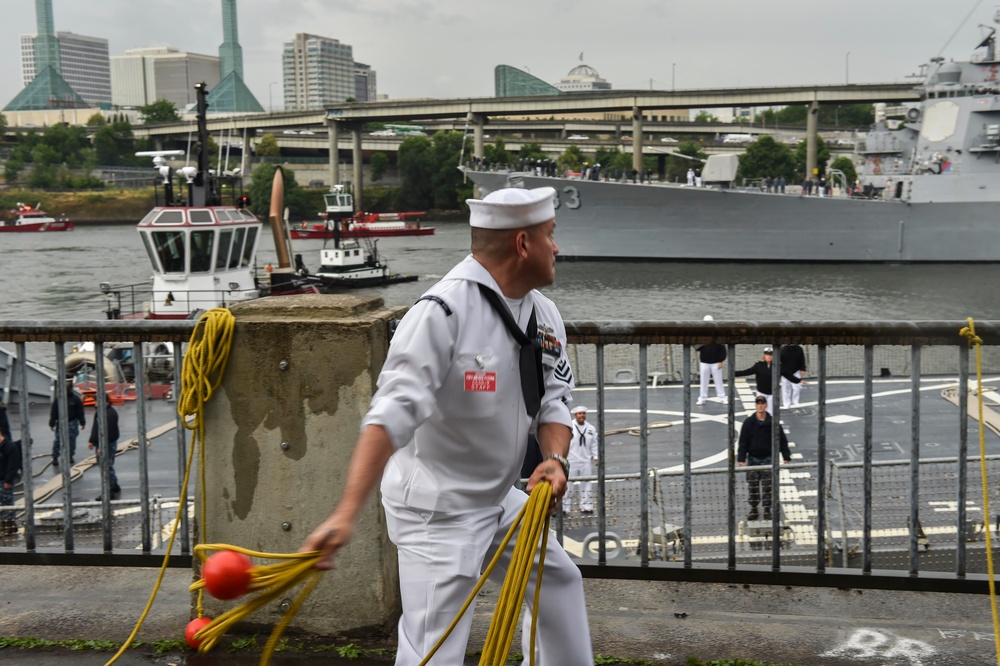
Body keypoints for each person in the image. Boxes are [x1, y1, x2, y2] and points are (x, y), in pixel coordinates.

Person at [301, 186, 593, 665]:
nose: (556, 247)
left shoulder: (543, 314)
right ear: (523, 245)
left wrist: (555, 460)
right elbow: (390, 415)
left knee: (558, 581)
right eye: (549, 235)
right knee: (434, 649)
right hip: (439, 510)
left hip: (496, 496)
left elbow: (554, 401)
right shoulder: (441, 315)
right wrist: (345, 514)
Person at [738, 395, 791, 521]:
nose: (760, 406)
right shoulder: (748, 423)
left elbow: (782, 440)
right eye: (758, 403)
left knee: (768, 487)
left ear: (766, 405)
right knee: (753, 486)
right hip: (753, 459)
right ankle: (754, 508)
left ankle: (767, 509)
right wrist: (741, 458)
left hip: (768, 458)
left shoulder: (773, 423)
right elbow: (743, 441)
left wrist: (786, 456)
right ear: (756, 405)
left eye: (762, 403)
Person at [734, 346, 802, 414]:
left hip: (773, 393)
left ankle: (770, 424)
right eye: (767, 355)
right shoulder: (759, 365)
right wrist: (734, 373)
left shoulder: (778, 366)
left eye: (771, 355)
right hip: (761, 392)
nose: (769, 356)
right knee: (760, 411)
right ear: (764, 356)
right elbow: (747, 372)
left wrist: (798, 380)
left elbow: (788, 375)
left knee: (771, 413)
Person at [88, 394, 121, 500]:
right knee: (108, 465)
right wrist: (92, 440)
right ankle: (114, 486)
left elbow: (109, 433)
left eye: (96, 401)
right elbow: (96, 427)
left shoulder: (109, 414)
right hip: (102, 443)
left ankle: (109, 490)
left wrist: (102, 447)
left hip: (107, 444)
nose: (95, 403)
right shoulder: (100, 412)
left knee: (105, 466)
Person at [566, 405, 599, 513]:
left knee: (587, 484)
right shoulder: (569, 426)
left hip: (585, 460)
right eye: (579, 413)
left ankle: (587, 506)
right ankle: (564, 507)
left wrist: (596, 456)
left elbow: (594, 444)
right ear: (575, 415)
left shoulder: (591, 428)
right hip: (571, 460)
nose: (582, 415)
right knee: (568, 484)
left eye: (583, 413)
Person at [50, 379, 85, 467]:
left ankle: (70, 455)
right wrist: (52, 423)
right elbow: (54, 411)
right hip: (61, 422)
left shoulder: (75, 399)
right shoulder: (59, 399)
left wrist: (82, 422)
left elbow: (80, 412)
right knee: (58, 440)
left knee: (72, 440)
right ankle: (55, 457)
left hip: (72, 422)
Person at [696, 315, 727, 406]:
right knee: (703, 381)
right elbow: (696, 346)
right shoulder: (701, 335)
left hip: (716, 362)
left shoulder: (717, 334)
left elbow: (722, 348)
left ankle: (722, 397)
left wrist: (721, 360)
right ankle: (702, 398)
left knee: (718, 381)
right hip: (704, 361)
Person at [0, 429, 21, 536]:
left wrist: (8, 480)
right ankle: (7, 525)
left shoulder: (9, 447)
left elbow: (13, 465)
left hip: (5, 480)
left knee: (7, 501)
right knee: (4, 502)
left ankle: (9, 525)